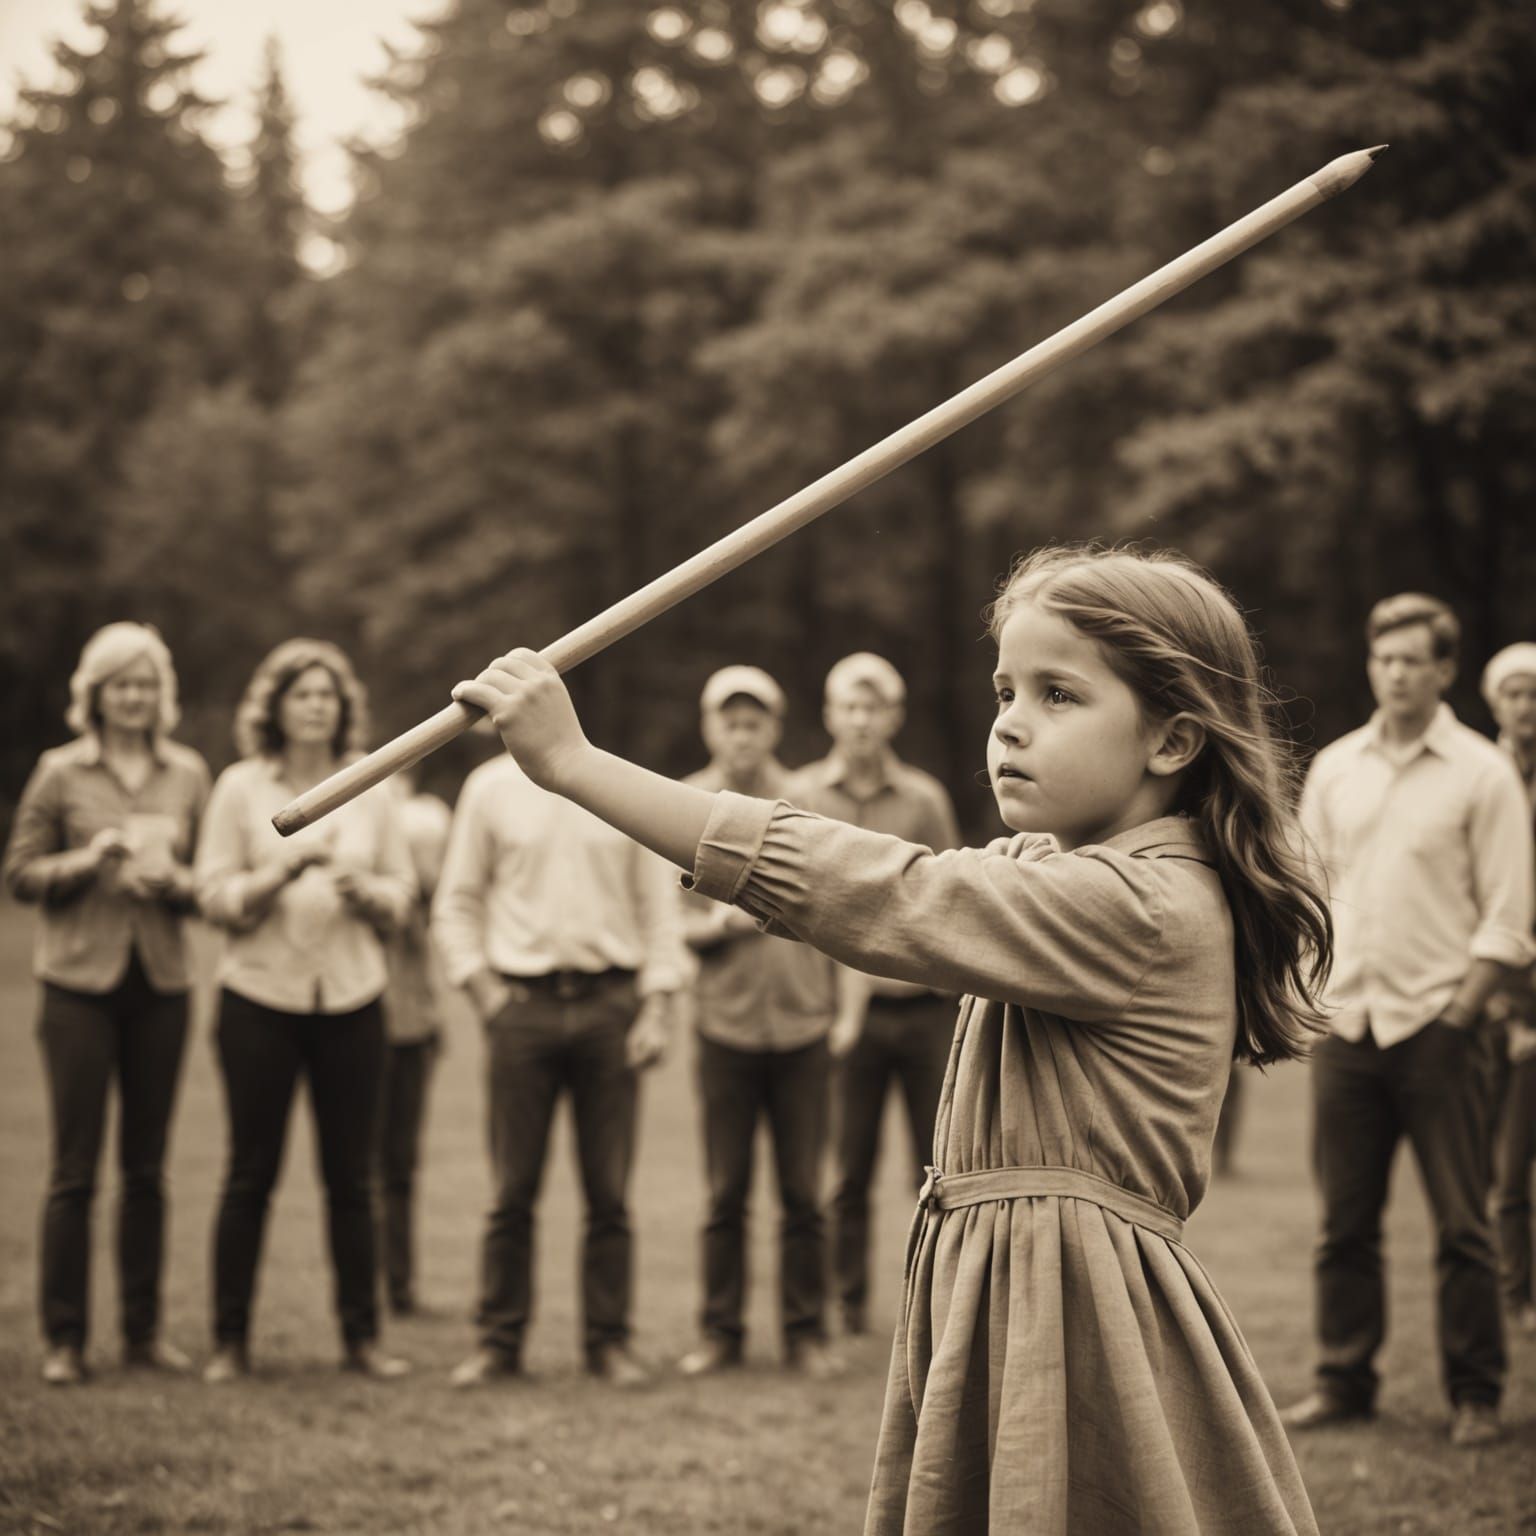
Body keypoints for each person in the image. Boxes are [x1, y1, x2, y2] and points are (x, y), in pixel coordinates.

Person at [452, 542, 1331, 1534]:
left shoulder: (1141, 906)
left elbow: (890, 889)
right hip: (1016, 1284)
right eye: (1005, 689)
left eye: (1058, 696)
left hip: (1079, 1310)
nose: (1009, 722)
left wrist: (575, 765)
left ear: (1173, 742)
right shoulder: (1069, 872)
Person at [1282, 596, 1534, 1448]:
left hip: (1442, 1025)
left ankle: (1476, 1394)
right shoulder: (1338, 770)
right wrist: (1314, 1001)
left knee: (1464, 1225)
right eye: (1383, 659)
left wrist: (1462, 1014)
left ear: (1444, 670)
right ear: (1371, 665)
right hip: (1348, 1029)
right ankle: (1342, 1381)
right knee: (1341, 1225)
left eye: (1412, 660)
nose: (1395, 673)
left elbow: (1508, 914)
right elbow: (1307, 893)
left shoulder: (1481, 774)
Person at [433, 733, 689, 1389]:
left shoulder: (620, 787)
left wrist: (657, 1006)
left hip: (611, 1006)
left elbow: (658, 909)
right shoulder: (489, 789)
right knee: (511, 1190)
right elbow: (456, 902)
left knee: (609, 1192)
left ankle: (608, 1344)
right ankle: (499, 1343)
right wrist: (485, 993)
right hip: (522, 1007)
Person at [196, 639, 416, 1383]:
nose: (317, 705)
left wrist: (366, 891)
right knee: (249, 1172)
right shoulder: (238, 789)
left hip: (353, 998)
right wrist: (277, 873)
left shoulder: (374, 787)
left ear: (343, 707)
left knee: (353, 1179)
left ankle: (362, 1339)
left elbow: (403, 898)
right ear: (276, 707)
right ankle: (229, 1341)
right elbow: (214, 897)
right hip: (259, 999)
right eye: (303, 694)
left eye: (328, 694)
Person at [4, 623, 209, 1387]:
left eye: (146, 684)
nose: (134, 697)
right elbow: (20, 875)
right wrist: (88, 861)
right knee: (73, 1170)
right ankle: (64, 1338)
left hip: (161, 983)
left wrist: (176, 885)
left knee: (148, 1169)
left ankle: (144, 1333)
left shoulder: (187, 773)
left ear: (162, 695)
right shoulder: (60, 773)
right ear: (94, 694)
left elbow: (207, 879)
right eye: (121, 684)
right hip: (78, 986)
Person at [675, 666, 847, 1381]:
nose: (742, 734)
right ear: (711, 728)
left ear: (774, 728)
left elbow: (832, 906)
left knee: (805, 1194)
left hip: (804, 1027)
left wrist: (741, 914)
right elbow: (684, 928)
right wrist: (752, 914)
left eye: (755, 722)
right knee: (725, 1193)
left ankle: (806, 1334)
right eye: (730, 722)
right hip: (725, 1028)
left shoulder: (808, 802)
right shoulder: (683, 804)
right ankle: (721, 1334)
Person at [791, 653, 961, 1337]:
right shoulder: (802, 794)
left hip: (923, 1014)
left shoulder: (924, 799)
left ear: (894, 716)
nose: (861, 720)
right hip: (842, 1019)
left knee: (938, 1167)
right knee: (848, 1167)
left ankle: (939, 1300)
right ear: (831, 715)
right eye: (849, 707)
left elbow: (953, 897)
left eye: (874, 707)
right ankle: (847, 1301)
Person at [376, 771, 453, 1316]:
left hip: (411, 1027)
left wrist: (432, 1016)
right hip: (358, 1023)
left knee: (400, 1164)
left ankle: (398, 1286)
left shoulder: (422, 904)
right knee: (362, 1169)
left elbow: (423, 953)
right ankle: (370, 1286)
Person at [1481, 642, 1536, 1335]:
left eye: (1535, 693)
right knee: (1498, 1166)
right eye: (1515, 693)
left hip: (1523, 1002)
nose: (1526, 706)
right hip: (1481, 993)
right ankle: (1514, 1297)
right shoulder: (1479, 773)